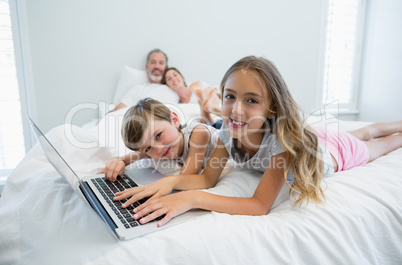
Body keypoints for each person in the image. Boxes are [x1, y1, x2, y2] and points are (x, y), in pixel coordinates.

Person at [113, 56, 402, 227]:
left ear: (271, 108)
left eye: (251, 100)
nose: (236, 110)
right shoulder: (227, 131)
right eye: (230, 97)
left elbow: (259, 205)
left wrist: (189, 199)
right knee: (364, 130)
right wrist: (167, 184)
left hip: (331, 153)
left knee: (378, 143)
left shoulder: (280, 144)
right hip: (313, 137)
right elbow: (206, 179)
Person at [102, 98, 220, 184]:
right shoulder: (157, 148)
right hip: (187, 131)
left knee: (212, 124)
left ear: (174, 119)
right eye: (148, 148)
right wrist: (117, 163)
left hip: (215, 130)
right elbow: (131, 157)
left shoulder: (198, 135)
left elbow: (185, 178)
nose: (158, 149)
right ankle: (206, 108)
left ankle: (209, 107)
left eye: (158, 135)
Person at [113, 49, 180, 111]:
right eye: (153, 62)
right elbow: (116, 113)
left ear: (166, 67)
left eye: (161, 63)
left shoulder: (176, 88)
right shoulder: (137, 89)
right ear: (147, 67)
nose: (157, 66)